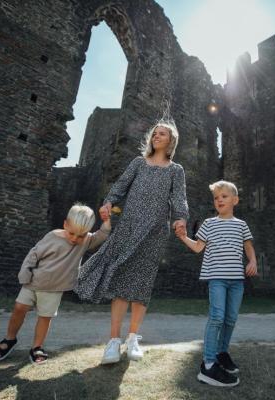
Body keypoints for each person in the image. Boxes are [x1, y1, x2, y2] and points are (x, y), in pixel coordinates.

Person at [75, 121, 188, 364]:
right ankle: (113, 341)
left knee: (142, 284)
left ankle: (133, 338)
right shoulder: (138, 163)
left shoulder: (175, 170)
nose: (156, 136)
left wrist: (180, 219)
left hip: (155, 232)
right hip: (128, 227)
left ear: (171, 141)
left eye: (162, 134)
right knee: (121, 278)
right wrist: (108, 203)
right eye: (155, 133)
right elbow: (120, 187)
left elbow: (179, 199)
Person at [0, 204, 111, 364]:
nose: (75, 239)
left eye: (81, 235)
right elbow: (34, 254)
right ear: (65, 224)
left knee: (45, 317)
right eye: (72, 233)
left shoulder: (86, 240)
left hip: (54, 289)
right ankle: (10, 339)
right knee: (19, 309)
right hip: (33, 282)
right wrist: (25, 273)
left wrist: (107, 220)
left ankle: (36, 347)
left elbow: (102, 234)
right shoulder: (52, 236)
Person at [176, 180, 257, 387]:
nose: (219, 200)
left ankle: (222, 353)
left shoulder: (241, 225)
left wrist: (253, 261)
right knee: (217, 318)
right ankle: (208, 364)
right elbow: (197, 248)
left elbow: (248, 246)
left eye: (224, 196)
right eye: (216, 197)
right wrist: (184, 237)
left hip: (237, 281)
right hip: (217, 280)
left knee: (230, 319)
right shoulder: (208, 224)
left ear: (235, 200)